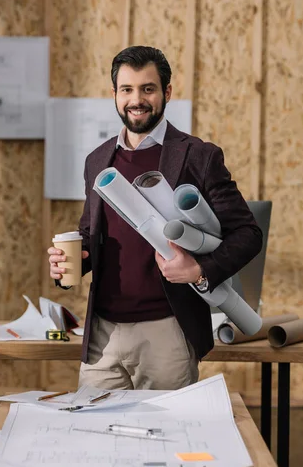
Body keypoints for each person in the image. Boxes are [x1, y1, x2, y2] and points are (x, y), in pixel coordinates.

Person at [48, 45, 262, 391]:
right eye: (127, 89)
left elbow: (248, 233)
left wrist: (199, 271)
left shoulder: (198, 156)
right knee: (97, 439)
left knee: (167, 440)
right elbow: (92, 235)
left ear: (167, 93)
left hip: (168, 330)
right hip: (104, 334)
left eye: (148, 89)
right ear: (115, 95)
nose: (137, 99)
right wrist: (68, 263)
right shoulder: (98, 160)